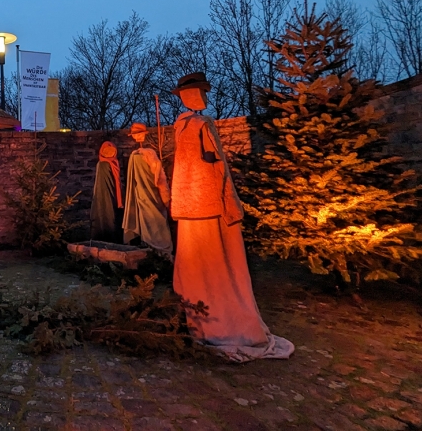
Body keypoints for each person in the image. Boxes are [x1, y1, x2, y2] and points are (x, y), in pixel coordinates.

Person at [171, 72, 294, 362]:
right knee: (220, 263)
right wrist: (231, 205)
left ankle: (200, 317)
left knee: (195, 264)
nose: (204, 98)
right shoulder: (202, 125)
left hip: (188, 208)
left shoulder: (179, 128)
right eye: (201, 93)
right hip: (210, 207)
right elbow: (220, 170)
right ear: (192, 96)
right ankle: (226, 322)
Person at [122, 123, 173, 258]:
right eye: (135, 134)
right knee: (147, 219)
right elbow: (159, 176)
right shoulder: (136, 155)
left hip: (151, 192)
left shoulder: (148, 154)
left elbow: (158, 176)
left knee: (155, 218)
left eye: (139, 134)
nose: (138, 136)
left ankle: (160, 250)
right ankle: (151, 249)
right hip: (142, 193)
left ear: (144, 134)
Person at [91, 141, 122, 243]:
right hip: (104, 196)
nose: (110, 154)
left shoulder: (113, 163)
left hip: (112, 194)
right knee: (106, 213)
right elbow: (102, 184)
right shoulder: (102, 165)